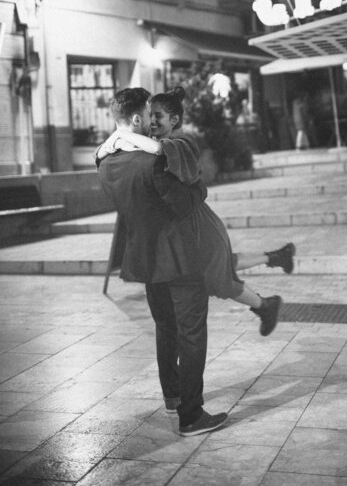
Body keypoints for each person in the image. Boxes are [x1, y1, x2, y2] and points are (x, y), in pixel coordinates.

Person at [96, 87, 287, 439]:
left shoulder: (105, 162)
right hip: (181, 259)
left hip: (146, 261)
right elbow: (188, 201)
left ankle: (172, 397)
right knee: (191, 334)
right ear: (137, 118)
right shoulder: (154, 161)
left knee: (164, 330)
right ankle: (191, 415)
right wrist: (197, 188)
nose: (152, 121)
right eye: (149, 114)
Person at [96, 86, 296, 278]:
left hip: (197, 219)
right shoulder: (146, 146)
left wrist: (121, 134)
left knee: (220, 272)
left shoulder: (180, 143)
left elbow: (158, 149)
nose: (153, 122)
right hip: (185, 221)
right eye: (151, 115)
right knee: (221, 270)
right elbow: (103, 154)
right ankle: (273, 265)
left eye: (158, 116)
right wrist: (116, 140)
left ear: (174, 120)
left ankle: (268, 292)